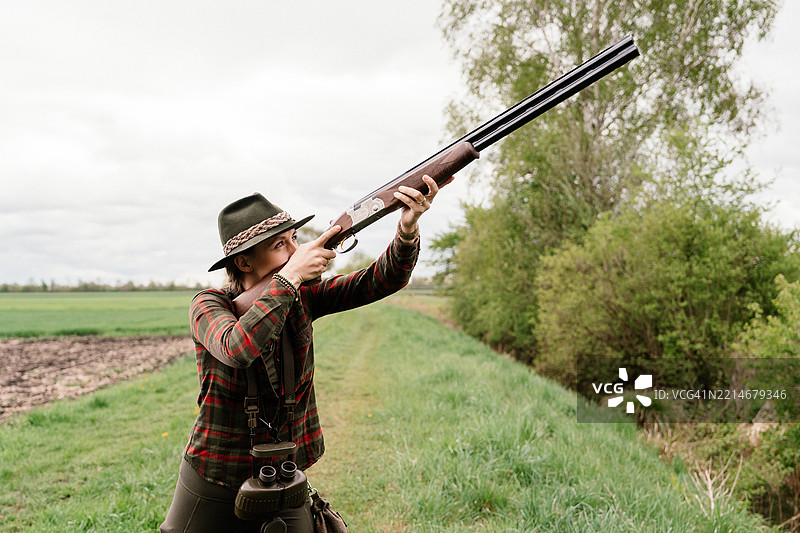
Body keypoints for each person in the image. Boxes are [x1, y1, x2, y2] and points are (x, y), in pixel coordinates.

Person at [160, 175, 448, 532]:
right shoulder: (207, 305)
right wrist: (290, 278)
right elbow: (238, 348)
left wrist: (407, 229)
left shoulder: (301, 295)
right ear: (245, 263)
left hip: (285, 468)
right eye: (280, 245)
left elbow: (381, 280)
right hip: (217, 468)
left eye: (294, 238)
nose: (296, 251)